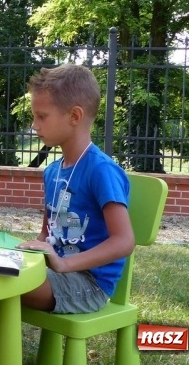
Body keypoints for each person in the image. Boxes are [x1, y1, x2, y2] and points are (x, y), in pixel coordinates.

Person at [17, 64, 134, 315]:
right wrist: (25, 252)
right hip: (56, 271)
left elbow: (124, 242)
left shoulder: (101, 170)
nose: (34, 125)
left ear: (74, 116)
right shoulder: (52, 172)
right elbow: (46, 234)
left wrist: (63, 264)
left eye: (42, 116)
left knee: (4, 284)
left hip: (90, 285)